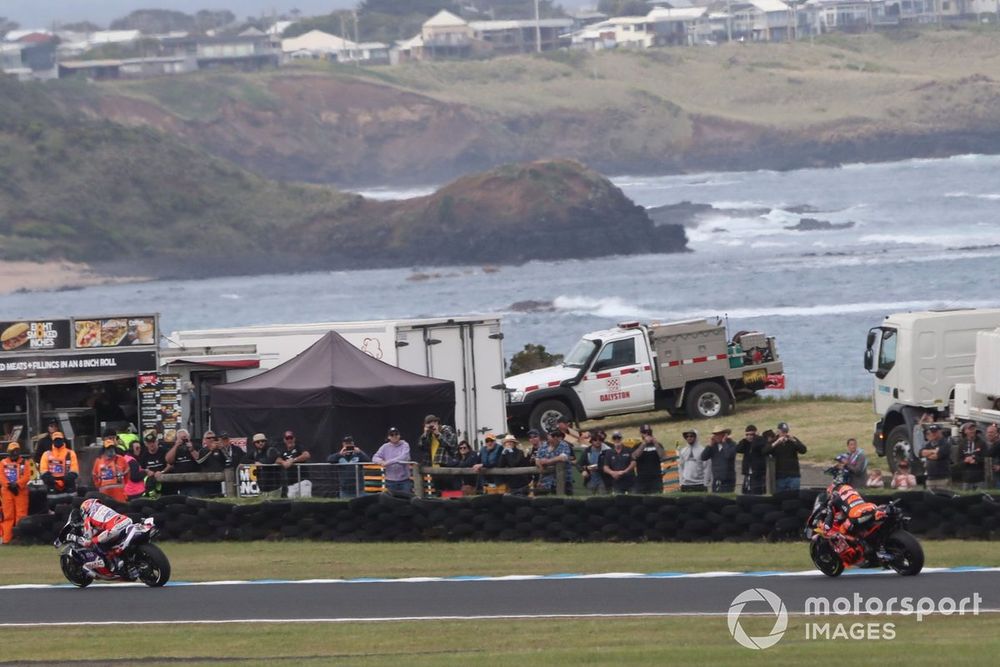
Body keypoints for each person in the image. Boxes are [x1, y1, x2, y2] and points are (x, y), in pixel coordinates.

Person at [74, 497, 134, 576]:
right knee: (106, 538)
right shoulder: (105, 508)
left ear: (85, 510)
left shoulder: (88, 519)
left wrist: (74, 538)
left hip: (114, 529)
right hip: (127, 521)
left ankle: (114, 561)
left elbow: (87, 539)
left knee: (93, 541)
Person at [1, 443, 31, 544]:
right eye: (13, 451)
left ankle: (20, 538)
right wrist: (8, 485)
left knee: (21, 516)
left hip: (20, 492)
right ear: (8, 452)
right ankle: (7, 539)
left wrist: (17, 485)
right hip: (7, 492)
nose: (15, 453)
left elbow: (27, 476)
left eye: (16, 450)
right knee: (8, 516)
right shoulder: (3, 463)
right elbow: (1, 476)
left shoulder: (24, 463)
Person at [765, 422, 807, 492]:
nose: (784, 434)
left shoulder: (792, 440)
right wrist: (776, 443)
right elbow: (765, 451)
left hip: (793, 475)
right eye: (782, 432)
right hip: (780, 476)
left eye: (786, 432)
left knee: (794, 496)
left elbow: (803, 450)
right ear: (778, 431)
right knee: (781, 497)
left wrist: (794, 441)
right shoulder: (774, 441)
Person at [373, 426, 412, 494]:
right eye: (392, 435)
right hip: (390, 481)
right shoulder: (385, 447)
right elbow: (374, 457)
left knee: (407, 501)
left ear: (399, 435)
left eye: (396, 434)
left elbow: (404, 457)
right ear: (389, 437)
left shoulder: (405, 445)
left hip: (404, 480)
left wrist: (388, 462)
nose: (394, 436)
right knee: (392, 501)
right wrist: (381, 461)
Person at [91, 434, 129, 503]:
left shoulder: (121, 459)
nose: (111, 450)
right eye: (108, 448)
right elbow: (94, 476)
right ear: (104, 450)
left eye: (112, 448)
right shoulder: (98, 461)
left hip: (119, 496)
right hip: (104, 496)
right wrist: (99, 486)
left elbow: (127, 474)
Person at [700, 425, 737, 493]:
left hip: (728, 480)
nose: (716, 436)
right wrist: (710, 445)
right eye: (715, 434)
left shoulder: (732, 444)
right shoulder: (713, 446)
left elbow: (728, 455)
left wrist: (724, 442)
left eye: (718, 434)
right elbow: (703, 457)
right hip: (716, 479)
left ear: (724, 434)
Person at [535, 429, 573, 494]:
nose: (557, 438)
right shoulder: (543, 446)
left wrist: (548, 461)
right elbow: (537, 459)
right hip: (545, 481)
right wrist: (540, 465)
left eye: (558, 437)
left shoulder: (564, 445)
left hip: (563, 480)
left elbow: (563, 457)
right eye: (553, 436)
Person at [276, 430, 311, 497]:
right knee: (292, 503)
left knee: (306, 503)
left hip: (303, 481)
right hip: (291, 484)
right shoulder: (284, 451)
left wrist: (293, 460)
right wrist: (283, 462)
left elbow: (307, 455)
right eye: (287, 438)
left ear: (294, 439)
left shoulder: (299, 447)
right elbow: (277, 459)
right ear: (284, 440)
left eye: (291, 438)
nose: (289, 440)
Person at [632, 424, 665, 494]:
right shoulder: (637, 445)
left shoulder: (658, 444)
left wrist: (655, 443)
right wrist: (644, 443)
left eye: (649, 432)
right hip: (642, 478)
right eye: (644, 432)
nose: (647, 434)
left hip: (656, 478)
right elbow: (634, 456)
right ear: (641, 433)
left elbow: (662, 456)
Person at [736, 424, 767, 495]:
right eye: (747, 434)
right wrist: (744, 441)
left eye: (751, 434)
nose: (749, 436)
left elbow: (760, 447)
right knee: (746, 492)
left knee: (757, 492)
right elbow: (738, 449)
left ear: (755, 434)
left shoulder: (760, 441)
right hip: (747, 472)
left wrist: (756, 439)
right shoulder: (745, 442)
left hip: (758, 472)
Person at [918, 424, 952, 490]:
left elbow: (936, 456)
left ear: (940, 431)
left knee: (943, 498)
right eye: (932, 432)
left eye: (935, 431)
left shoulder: (945, 443)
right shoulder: (929, 444)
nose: (933, 434)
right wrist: (933, 451)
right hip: (930, 478)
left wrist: (927, 454)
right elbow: (920, 453)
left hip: (942, 478)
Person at [138, 431, 171, 497]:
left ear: (157, 442)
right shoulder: (144, 455)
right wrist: (147, 471)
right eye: (149, 443)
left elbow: (170, 465)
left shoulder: (164, 451)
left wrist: (162, 472)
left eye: (153, 442)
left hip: (167, 486)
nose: (151, 445)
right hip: (152, 487)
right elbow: (140, 468)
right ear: (146, 444)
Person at [577, 429, 610, 495]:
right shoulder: (588, 451)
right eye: (595, 440)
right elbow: (579, 464)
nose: (598, 442)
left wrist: (599, 467)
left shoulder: (607, 450)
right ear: (592, 441)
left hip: (603, 480)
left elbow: (610, 464)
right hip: (591, 480)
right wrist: (583, 470)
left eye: (600, 440)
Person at [954, 422, 986, 491]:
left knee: (981, 498)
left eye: (973, 429)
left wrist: (975, 459)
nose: (972, 430)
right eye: (970, 429)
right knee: (966, 499)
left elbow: (986, 459)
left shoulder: (982, 443)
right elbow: (958, 462)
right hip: (967, 479)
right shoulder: (962, 444)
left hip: (980, 478)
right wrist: (965, 461)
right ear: (965, 431)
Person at [117, 434, 146, 501]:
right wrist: (145, 472)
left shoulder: (125, 458)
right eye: (137, 448)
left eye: (140, 448)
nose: (139, 450)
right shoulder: (132, 461)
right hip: (135, 492)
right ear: (131, 449)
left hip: (127, 491)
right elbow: (135, 477)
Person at [986, 423, 1000, 489]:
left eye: (991, 432)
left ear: (997, 434)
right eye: (988, 432)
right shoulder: (992, 445)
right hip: (994, 477)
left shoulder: (998, 444)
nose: (989, 434)